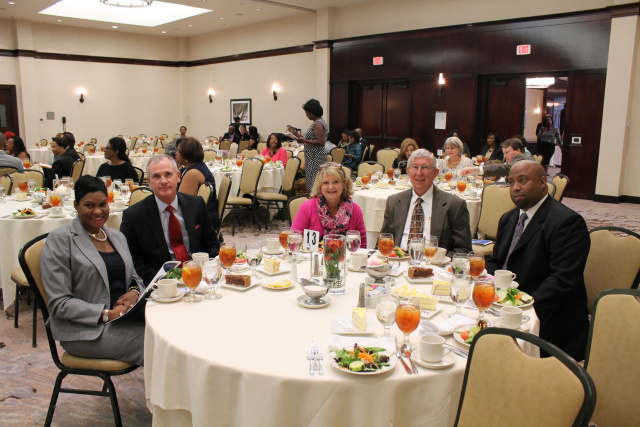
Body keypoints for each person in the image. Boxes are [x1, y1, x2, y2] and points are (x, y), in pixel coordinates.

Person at [486, 161, 590, 360]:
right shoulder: (508, 219)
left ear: (543, 182)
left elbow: (561, 282)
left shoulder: (567, 222)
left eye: (523, 180)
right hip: (505, 304)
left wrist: (517, 308)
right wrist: (485, 288)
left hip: (547, 318)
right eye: (511, 182)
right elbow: (495, 261)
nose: (515, 187)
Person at [41, 175, 145, 365]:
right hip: (85, 332)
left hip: (124, 317)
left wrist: (134, 292)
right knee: (157, 345)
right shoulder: (61, 240)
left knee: (171, 333)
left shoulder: (117, 236)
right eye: (89, 205)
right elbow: (59, 303)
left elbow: (135, 279)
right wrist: (107, 314)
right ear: (76, 206)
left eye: (103, 204)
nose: (98, 211)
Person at [120, 155, 220, 285]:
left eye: (168, 174)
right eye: (156, 176)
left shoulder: (196, 205)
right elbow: (131, 262)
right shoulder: (134, 216)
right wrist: (168, 279)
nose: (163, 181)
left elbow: (212, 244)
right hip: (160, 285)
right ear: (149, 182)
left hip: (199, 278)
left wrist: (203, 269)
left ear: (178, 176)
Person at [381, 149, 471, 254]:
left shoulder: (455, 206)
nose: (419, 173)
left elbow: (463, 251)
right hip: (398, 264)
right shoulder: (394, 202)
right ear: (408, 171)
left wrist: (439, 260)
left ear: (435, 172)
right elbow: (383, 241)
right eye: (415, 167)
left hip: (434, 266)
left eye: (425, 167)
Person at [291, 162, 367, 247]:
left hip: (347, 259)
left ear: (343, 184)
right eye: (326, 183)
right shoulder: (307, 207)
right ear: (320, 186)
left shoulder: (355, 209)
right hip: (313, 259)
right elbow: (294, 239)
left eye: (335, 182)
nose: (331, 187)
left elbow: (362, 245)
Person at [175, 137, 220, 229]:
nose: (176, 153)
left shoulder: (193, 173)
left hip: (201, 222)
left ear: (186, 155)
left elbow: (183, 204)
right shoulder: (195, 167)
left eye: (178, 151)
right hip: (206, 215)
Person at [287, 99, 329, 191]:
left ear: (312, 113)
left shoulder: (318, 124)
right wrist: (294, 133)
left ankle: (314, 203)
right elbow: (308, 139)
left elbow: (320, 142)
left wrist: (304, 140)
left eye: (306, 112)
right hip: (312, 157)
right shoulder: (317, 122)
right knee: (312, 183)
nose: (306, 114)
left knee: (314, 185)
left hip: (315, 157)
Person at [462, 137, 533, 178]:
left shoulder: (522, 158)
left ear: (518, 150)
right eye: (504, 153)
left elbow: (505, 168)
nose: (505, 156)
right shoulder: (524, 158)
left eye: (507, 152)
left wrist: (476, 169)